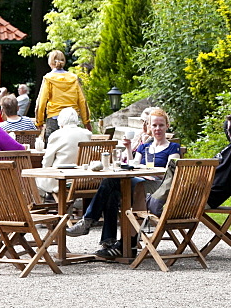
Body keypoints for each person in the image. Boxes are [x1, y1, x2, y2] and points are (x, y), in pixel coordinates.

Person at [67, 107, 180, 259]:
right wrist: (128, 148)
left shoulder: (173, 147)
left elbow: (170, 173)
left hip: (156, 187)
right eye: (154, 125)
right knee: (111, 188)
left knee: (111, 182)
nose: (157, 129)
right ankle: (113, 243)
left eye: (161, 125)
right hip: (140, 182)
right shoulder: (144, 146)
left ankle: (90, 222)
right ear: (149, 127)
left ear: (167, 126)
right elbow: (133, 164)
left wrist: (150, 173)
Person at [35, 49, 91, 142]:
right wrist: (86, 122)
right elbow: (82, 101)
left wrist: (39, 122)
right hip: (72, 119)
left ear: (50, 62)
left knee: (51, 148)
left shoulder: (48, 78)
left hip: (54, 118)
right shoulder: (73, 78)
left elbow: (41, 102)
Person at [37, 106, 93, 196]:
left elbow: (47, 163)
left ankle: (48, 205)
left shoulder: (56, 135)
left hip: (61, 180)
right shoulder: (87, 134)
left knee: (34, 180)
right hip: (83, 179)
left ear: (60, 120)